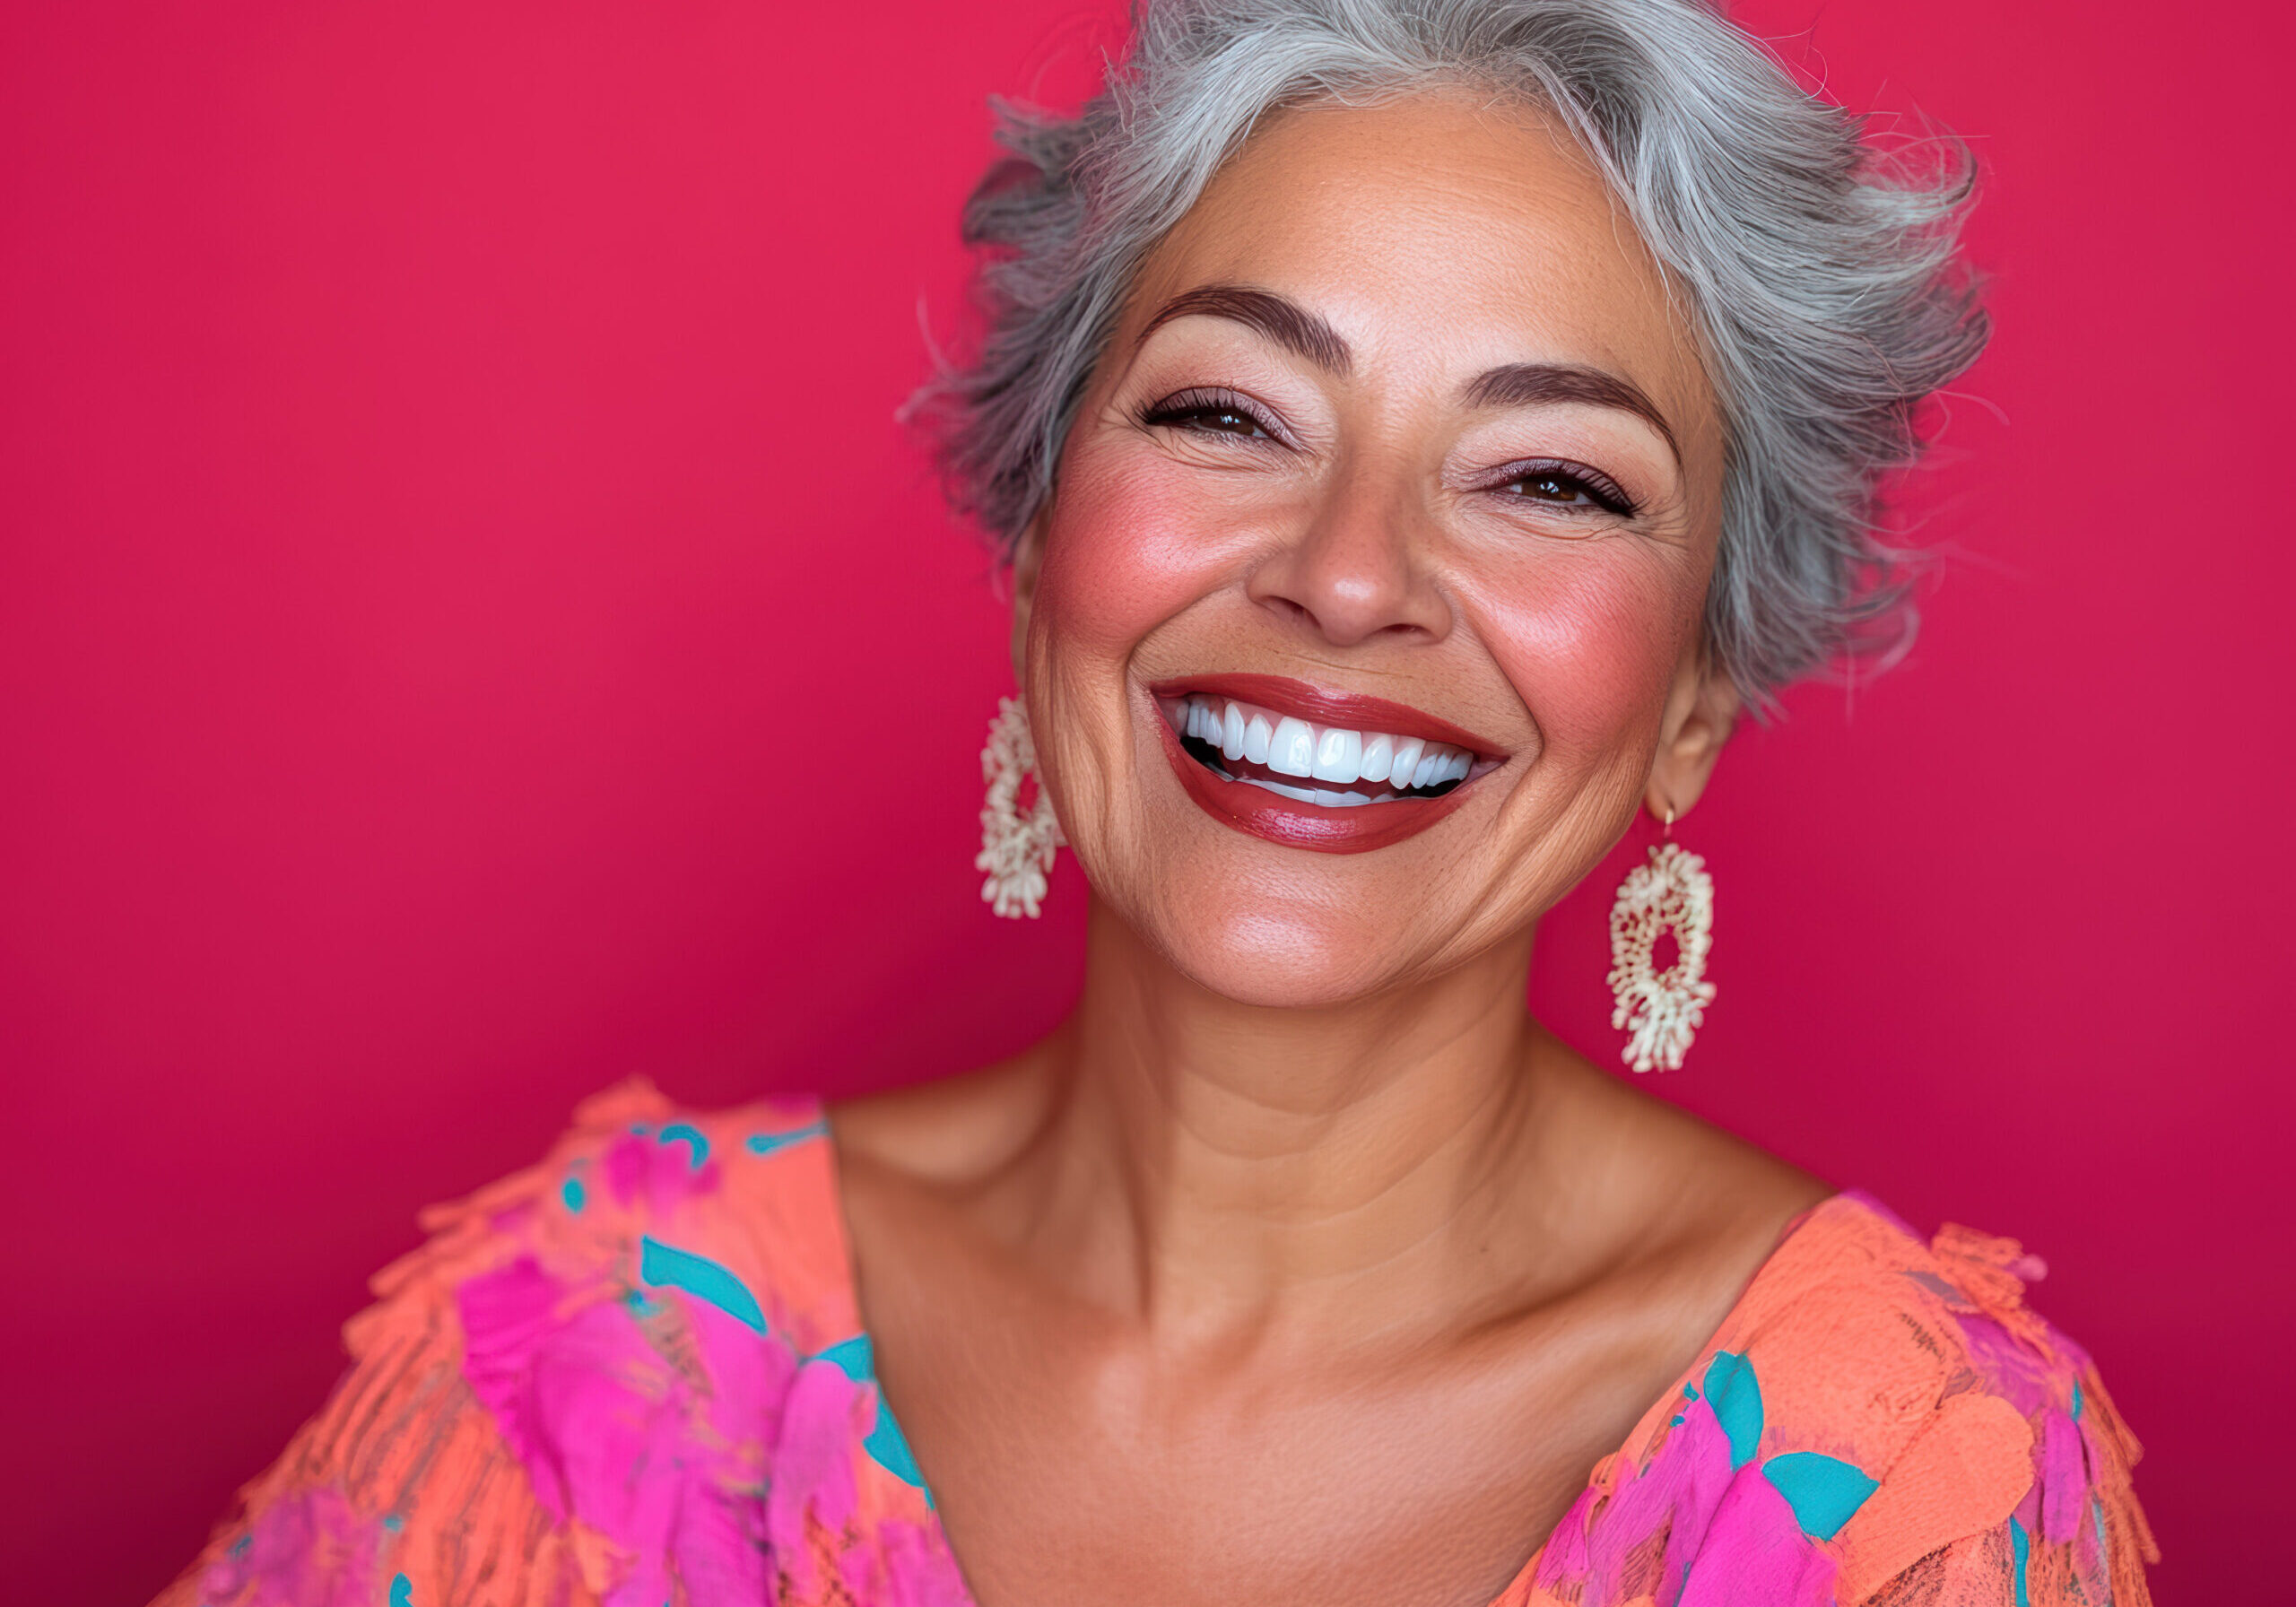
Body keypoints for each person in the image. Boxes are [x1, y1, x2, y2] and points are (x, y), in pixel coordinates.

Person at [158, 1, 2156, 1603]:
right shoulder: (604, 1354)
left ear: (1691, 700)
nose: (1350, 572)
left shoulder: (1898, 1482)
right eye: (1225, 412)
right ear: (1040, 547)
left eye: (1548, 475)